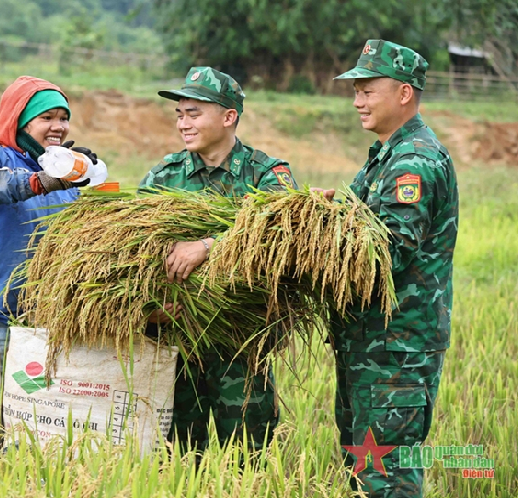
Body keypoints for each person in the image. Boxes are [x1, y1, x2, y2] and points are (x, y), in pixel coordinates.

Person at [138, 66, 299, 455]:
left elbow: (285, 235)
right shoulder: (164, 176)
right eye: (179, 114)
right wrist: (154, 306)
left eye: (194, 113)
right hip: (177, 344)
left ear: (229, 117)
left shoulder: (267, 175)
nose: (183, 124)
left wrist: (208, 245)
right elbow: (136, 251)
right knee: (175, 459)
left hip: (240, 343)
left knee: (245, 458)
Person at [326, 39, 459, 497]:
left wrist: (311, 241)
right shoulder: (385, 157)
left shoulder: (414, 162)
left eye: (368, 90)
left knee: (389, 478)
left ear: (404, 93)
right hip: (371, 345)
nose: (357, 100)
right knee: (365, 473)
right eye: (356, 91)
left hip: (397, 352)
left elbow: (384, 252)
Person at [0, 76, 99, 437]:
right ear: (20, 119)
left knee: (29, 427)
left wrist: (84, 180)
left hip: (42, 321)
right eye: (48, 117)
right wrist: (43, 180)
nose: (59, 126)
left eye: (64, 118)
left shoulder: (62, 178)